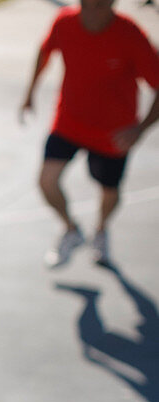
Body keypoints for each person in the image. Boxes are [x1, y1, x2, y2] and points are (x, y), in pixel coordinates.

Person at [19, 0, 159, 268]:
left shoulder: (130, 35)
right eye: (87, 3)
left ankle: (101, 230)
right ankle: (72, 230)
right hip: (68, 123)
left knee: (109, 192)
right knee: (47, 181)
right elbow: (44, 49)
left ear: (112, 3)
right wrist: (29, 94)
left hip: (112, 133)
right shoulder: (65, 22)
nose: (92, 10)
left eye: (99, 4)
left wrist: (140, 129)